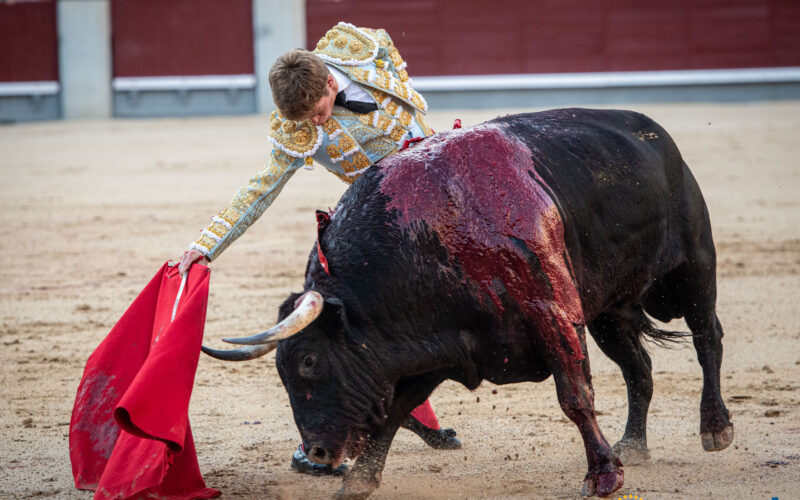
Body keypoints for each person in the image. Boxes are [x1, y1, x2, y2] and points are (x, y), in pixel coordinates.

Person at [179, 22, 461, 475]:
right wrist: (205, 245)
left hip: (438, 190)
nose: (315, 123)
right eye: (305, 119)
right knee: (338, 326)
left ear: (331, 81)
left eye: (319, 111)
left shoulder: (354, 45)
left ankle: (409, 407)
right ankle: (325, 438)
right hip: (381, 221)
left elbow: (388, 49)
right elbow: (259, 190)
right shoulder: (294, 129)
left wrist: (407, 95)